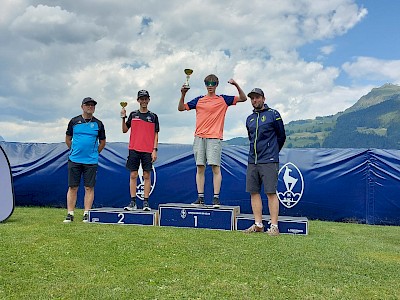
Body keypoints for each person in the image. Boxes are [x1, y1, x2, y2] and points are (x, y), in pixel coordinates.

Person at [178, 74, 247, 208]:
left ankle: (216, 198)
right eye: (208, 83)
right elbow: (181, 108)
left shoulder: (223, 99)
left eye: (213, 83)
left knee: (215, 167)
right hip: (199, 137)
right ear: (205, 85)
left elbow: (243, 98)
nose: (210, 86)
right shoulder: (199, 100)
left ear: (217, 84)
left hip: (214, 137)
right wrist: (183, 94)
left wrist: (236, 84)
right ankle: (200, 198)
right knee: (200, 167)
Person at [244, 88, 286, 236]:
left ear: (263, 98)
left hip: (269, 160)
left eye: (257, 97)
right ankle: (258, 224)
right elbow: (251, 138)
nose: (254, 100)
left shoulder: (273, 115)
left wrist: (272, 152)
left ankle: (274, 226)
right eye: (252, 98)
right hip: (252, 160)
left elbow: (281, 136)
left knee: (270, 192)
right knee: (254, 192)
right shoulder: (249, 118)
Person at [64, 97, 106, 223]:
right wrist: (74, 150)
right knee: (73, 187)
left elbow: (102, 142)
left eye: (92, 105)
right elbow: (68, 138)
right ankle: (70, 213)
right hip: (74, 159)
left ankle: (87, 213)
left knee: (89, 187)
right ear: (82, 106)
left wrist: (94, 153)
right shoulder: (74, 121)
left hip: (91, 161)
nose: (90, 107)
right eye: (87, 105)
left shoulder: (98, 124)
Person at [121, 90, 159, 211]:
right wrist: (123, 118)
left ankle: (146, 202)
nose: (143, 101)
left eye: (145, 99)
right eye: (141, 99)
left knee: (147, 175)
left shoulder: (153, 116)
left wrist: (154, 150)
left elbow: (156, 134)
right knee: (133, 174)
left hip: (147, 150)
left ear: (148, 100)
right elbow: (124, 130)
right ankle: (132, 202)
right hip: (134, 149)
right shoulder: (133, 115)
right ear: (138, 100)